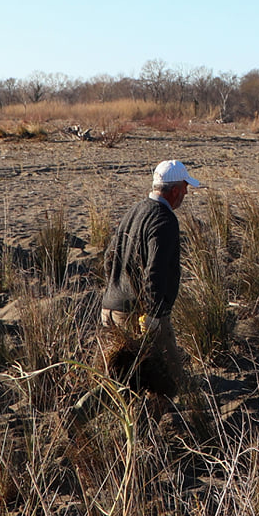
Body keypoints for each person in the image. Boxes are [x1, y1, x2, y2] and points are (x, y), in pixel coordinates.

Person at [99, 159, 201, 396]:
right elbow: (155, 272)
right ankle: (154, 428)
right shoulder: (164, 220)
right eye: (185, 187)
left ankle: (82, 413)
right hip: (139, 314)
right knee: (168, 380)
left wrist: (115, 289)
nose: (186, 193)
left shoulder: (135, 210)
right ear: (174, 190)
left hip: (109, 309)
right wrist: (153, 317)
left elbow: (109, 257)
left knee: (120, 382)